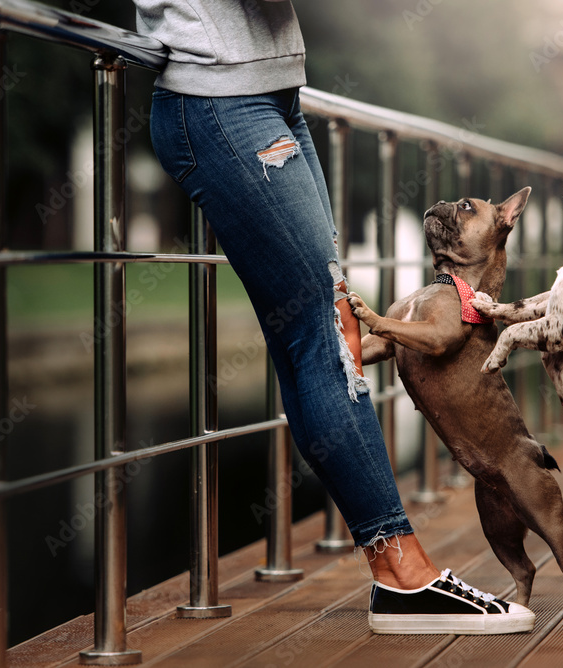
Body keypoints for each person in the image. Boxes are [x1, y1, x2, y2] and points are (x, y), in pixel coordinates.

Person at [133, 0, 534, 634]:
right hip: (220, 96)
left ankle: (397, 569)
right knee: (327, 334)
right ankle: (402, 574)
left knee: (321, 333)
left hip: (263, 92)